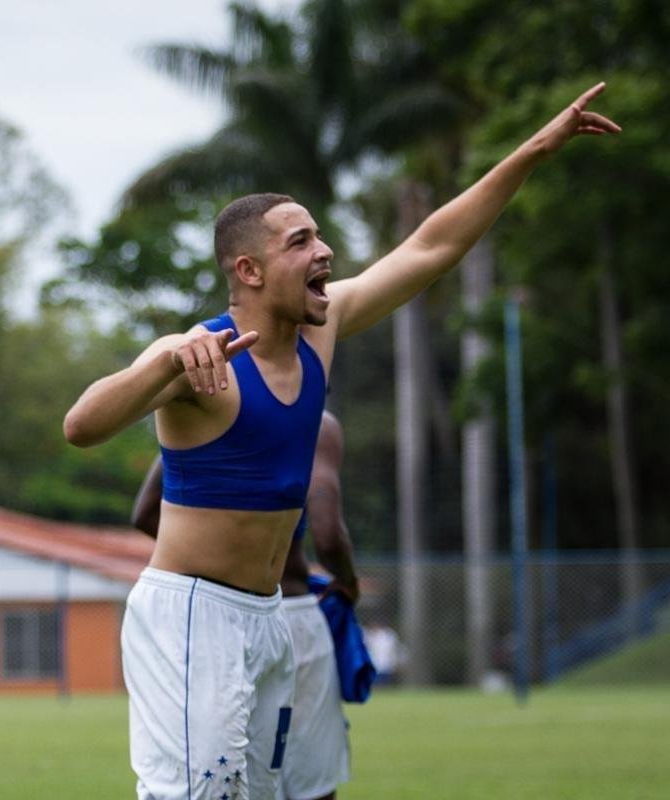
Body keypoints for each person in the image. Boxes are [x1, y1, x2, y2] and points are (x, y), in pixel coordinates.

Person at [63, 84, 619, 799]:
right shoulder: (198, 355)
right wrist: (165, 367)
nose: (325, 251)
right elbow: (81, 426)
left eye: (319, 236)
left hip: (270, 619)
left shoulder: (320, 333)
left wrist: (538, 148)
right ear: (249, 270)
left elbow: (433, 244)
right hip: (193, 614)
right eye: (301, 242)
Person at [131, 411, 358, 800]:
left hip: (208, 614)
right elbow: (328, 534)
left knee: (217, 783)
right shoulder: (316, 422)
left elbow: (145, 512)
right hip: (288, 612)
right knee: (309, 788)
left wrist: (221, 557)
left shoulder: (203, 412)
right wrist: (348, 584)